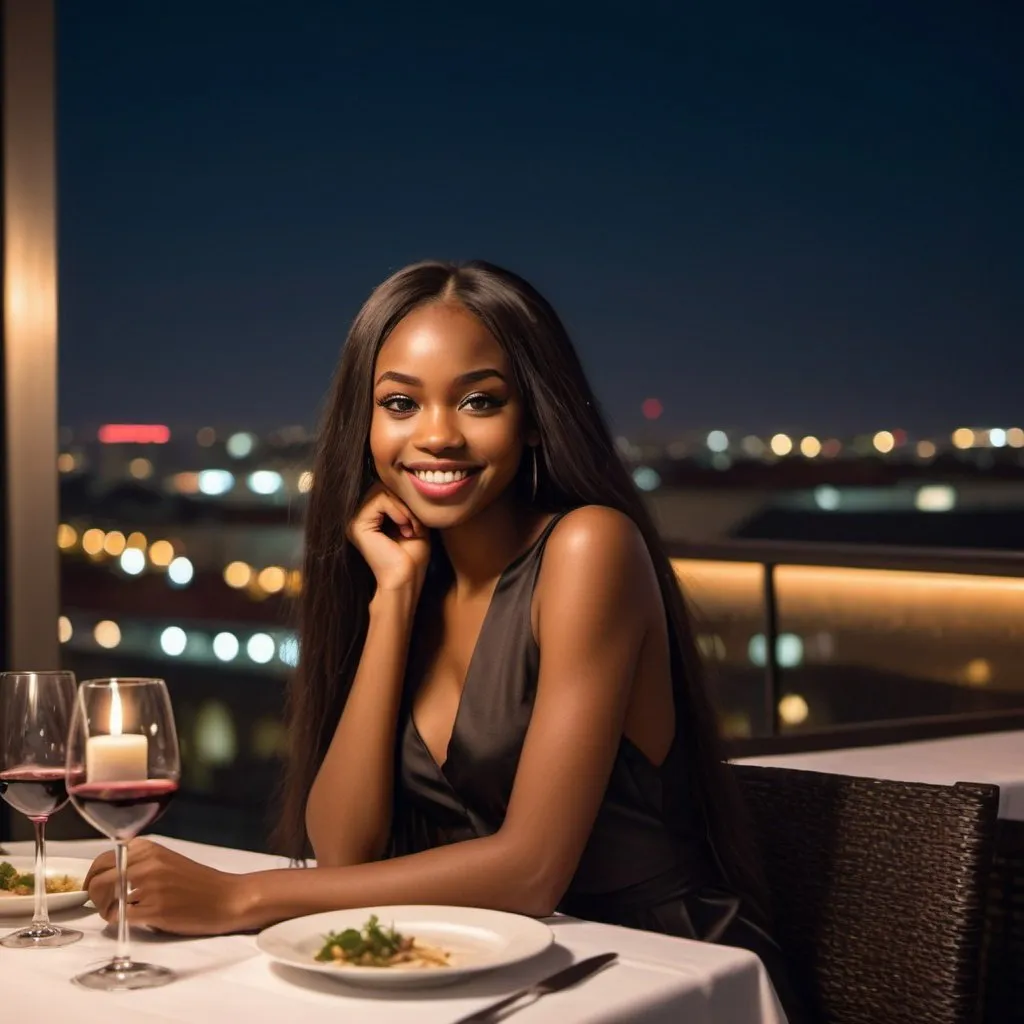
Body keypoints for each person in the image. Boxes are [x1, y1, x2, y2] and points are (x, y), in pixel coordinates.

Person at [85, 260, 802, 1019]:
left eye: (479, 401)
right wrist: (393, 599)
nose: (436, 435)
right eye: (400, 402)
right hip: (486, 971)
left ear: (532, 417)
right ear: (364, 426)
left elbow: (531, 873)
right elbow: (343, 849)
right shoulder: (413, 581)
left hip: (654, 974)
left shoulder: (591, 548)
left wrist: (242, 896)